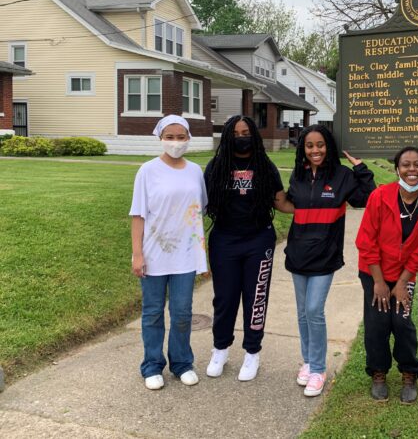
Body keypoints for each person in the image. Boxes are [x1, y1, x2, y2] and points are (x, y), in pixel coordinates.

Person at [285, 124, 376, 397]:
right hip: (297, 253)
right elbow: (291, 203)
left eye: (320, 145)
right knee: (302, 313)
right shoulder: (298, 176)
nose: (315, 150)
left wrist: (360, 167)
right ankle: (308, 362)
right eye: (310, 145)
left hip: (325, 255)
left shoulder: (341, 176)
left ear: (329, 147)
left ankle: (319, 369)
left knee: (314, 310)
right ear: (303, 148)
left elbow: (368, 198)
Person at [204, 115, 294, 381]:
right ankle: (220, 348)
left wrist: (319, 210)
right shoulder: (216, 165)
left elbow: (282, 203)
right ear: (228, 136)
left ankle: (252, 352)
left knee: (256, 299)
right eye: (235, 132)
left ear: (253, 134)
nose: (240, 136)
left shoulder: (265, 166)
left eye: (245, 132)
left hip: (258, 240)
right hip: (224, 240)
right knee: (225, 298)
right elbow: (198, 201)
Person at [355, 146, 418, 404]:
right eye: (406, 164)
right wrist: (380, 282)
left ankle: (409, 372)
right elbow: (366, 241)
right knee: (377, 324)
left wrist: (403, 282)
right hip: (374, 273)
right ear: (397, 169)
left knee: (402, 323)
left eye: (417, 164)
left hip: (405, 275)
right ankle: (379, 372)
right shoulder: (380, 196)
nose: (411, 170)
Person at [130, 115, 207, 390]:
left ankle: (182, 363)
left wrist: (201, 253)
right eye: (170, 137)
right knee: (152, 312)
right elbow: (138, 215)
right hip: (154, 254)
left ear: (188, 138)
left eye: (181, 137)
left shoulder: (196, 171)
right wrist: (137, 254)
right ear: (160, 138)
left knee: (182, 312)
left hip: (185, 256)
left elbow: (199, 212)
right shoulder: (147, 171)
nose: (175, 142)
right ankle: (152, 365)